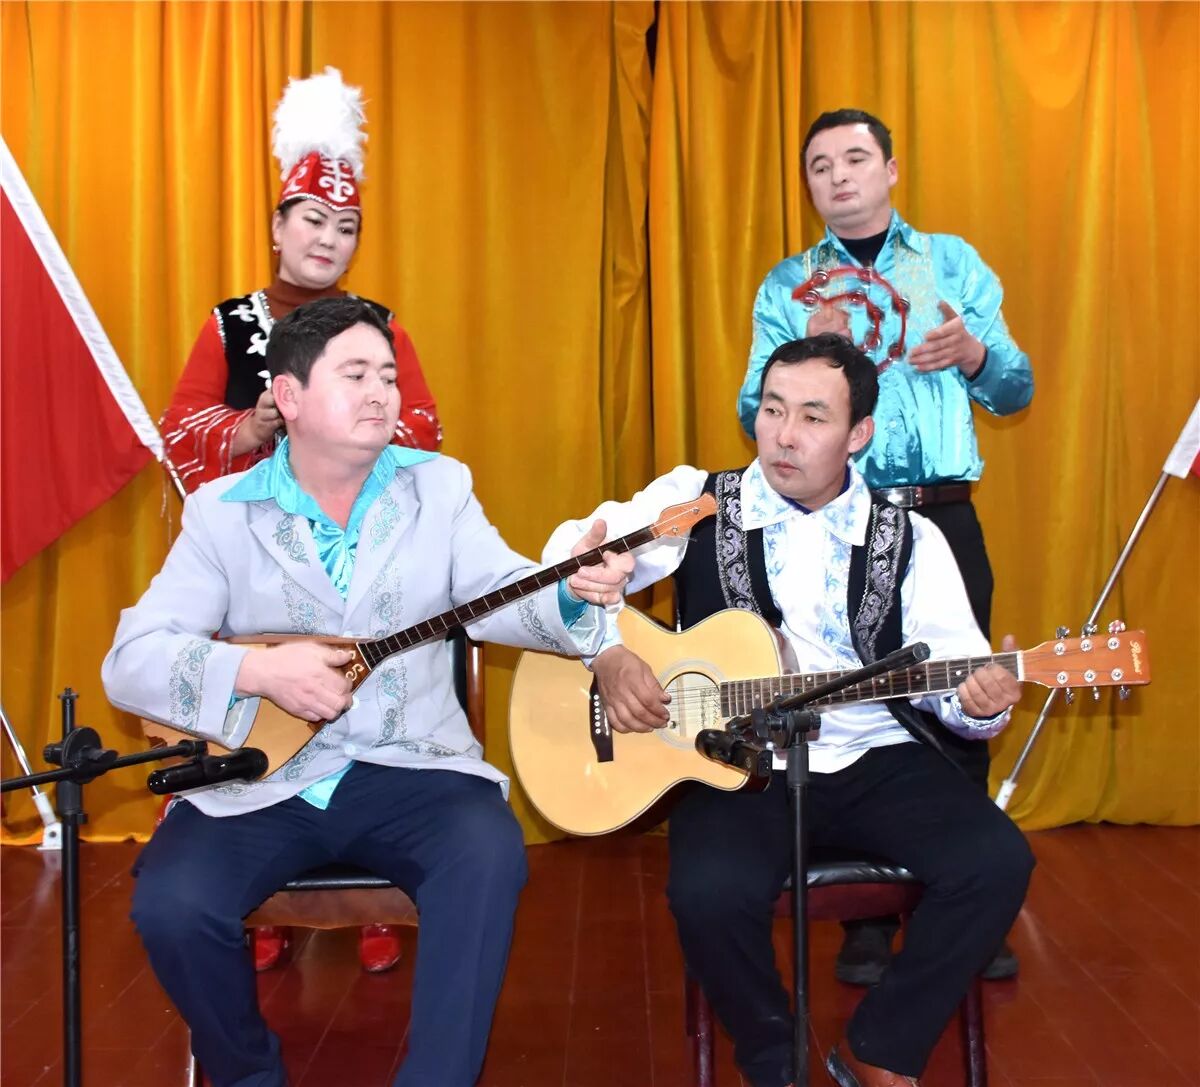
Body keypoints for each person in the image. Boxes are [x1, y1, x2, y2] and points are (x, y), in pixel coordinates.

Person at [104, 297, 634, 1087]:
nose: (383, 392)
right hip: (263, 782)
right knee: (171, 905)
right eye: (356, 375)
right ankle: (250, 1075)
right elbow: (131, 660)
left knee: (487, 855)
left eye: (387, 375)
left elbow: (496, 593)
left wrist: (570, 589)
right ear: (289, 396)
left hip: (410, 766)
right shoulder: (221, 513)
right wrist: (258, 671)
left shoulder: (439, 488)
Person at [543, 334, 1034, 1087]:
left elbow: (957, 688)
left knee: (997, 861)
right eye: (772, 410)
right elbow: (569, 553)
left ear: (858, 434)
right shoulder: (699, 502)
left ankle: (880, 1048)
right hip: (736, 761)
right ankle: (773, 1059)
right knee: (707, 892)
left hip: (876, 756)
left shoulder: (912, 539)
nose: (784, 435)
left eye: (812, 416)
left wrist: (981, 707)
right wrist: (605, 651)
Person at [737, 108, 1033, 984]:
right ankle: (864, 923)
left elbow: (1015, 388)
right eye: (820, 165)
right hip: (833, 523)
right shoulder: (788, 284)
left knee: (958, 701)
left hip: (942, 516)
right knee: (844, 703)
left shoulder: (952, 263)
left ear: (892, 169)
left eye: (856, 158)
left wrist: (974, 354)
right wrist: (814, 357)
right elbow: (754, 409)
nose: (839, 176)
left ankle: (962, 906)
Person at [160, 67, 440, 973]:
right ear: (278, 226)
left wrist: (358, 425)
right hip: (255, 560)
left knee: (370, 699)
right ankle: (257, 895)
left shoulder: (376, 326)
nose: (328, 238)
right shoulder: (231, 323)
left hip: (361, 555)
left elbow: (426, 430)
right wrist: (252, 428)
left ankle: (377, 891)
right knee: (258, 712)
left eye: (346, 225)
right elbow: (179, 433)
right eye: (313, 219)